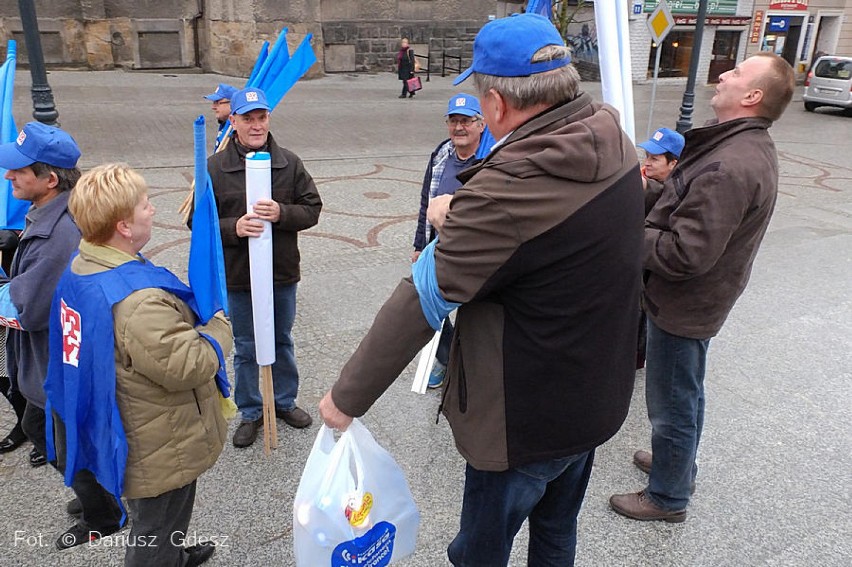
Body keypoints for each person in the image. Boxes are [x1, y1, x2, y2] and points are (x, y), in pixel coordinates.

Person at [320, 13, 643, 566]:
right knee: (556, 531)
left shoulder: (504, 192)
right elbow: (544, 239)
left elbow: (423, 298)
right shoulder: (611, 134)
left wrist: (345, 398)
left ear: (495, 103)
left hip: (525, 418)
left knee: (479, 552)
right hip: (593, 398)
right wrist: (463, 216)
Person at [609, 52, 795, 523]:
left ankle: (668, 496)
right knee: (684, 391)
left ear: (751, 96)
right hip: (697, 300)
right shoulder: (734, 146)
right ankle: (678, 461)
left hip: (684, 304)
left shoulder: (731, 163)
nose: (722, 75)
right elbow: (683, 203)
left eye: (735, 73)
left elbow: (684, 253)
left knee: (672, 400)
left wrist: (624, 233)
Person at [45, 163, 232, 566]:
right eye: (145, 204)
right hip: (159, 444)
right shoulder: (140, 303)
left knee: (160, 524)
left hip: (122, 428)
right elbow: (188, 364)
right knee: (157, 528)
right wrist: (220, 326)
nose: (152, 209)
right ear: (124, 227)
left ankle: (173, 555)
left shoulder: (82, 268)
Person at [0, 121, 124, 547]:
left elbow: (27, 309)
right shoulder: (56, 214)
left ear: (50, 180)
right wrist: (15, 248)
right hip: (51, 363)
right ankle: (96, 494)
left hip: (59, 368)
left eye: (18, 171)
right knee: (48, 433)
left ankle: (104, 514)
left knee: (62, 442)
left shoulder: (60, 233)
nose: (8, 176)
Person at [206, 87, 322, 448]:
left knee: (281, 338)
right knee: (244, 345)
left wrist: (283, 213)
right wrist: (234, 227)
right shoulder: (215, 167)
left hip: (280, 272)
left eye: (262, 117)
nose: (256, 126)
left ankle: (284, 401)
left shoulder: (288, 162)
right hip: (239, 274)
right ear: (234, 122)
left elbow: (313, 208)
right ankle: (251, 410)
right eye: (248, 119)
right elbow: (199, 222)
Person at [411, 93, 485, 388]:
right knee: (431, 306)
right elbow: (424, 204)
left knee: (475, 312)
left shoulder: (489, 159)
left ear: (480, 124)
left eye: (466, 121)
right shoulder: (442, 153)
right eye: (454, 121)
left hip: (475, 253)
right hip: (439, 248)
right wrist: (419, 245)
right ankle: (447, 359)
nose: (459, 128)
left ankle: (470, 365)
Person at [634, 127, 684, 369]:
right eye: (647, 156)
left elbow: (656, 193)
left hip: (652, 266)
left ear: (673, 163)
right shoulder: (649, 179)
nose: (648, 163)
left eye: (655, 158)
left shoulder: (674, 190)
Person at [203, 83, 238, 152]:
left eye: (217, 103)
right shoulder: (224, 124)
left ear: (231, 103)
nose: (213, 107)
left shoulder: (236, 132)